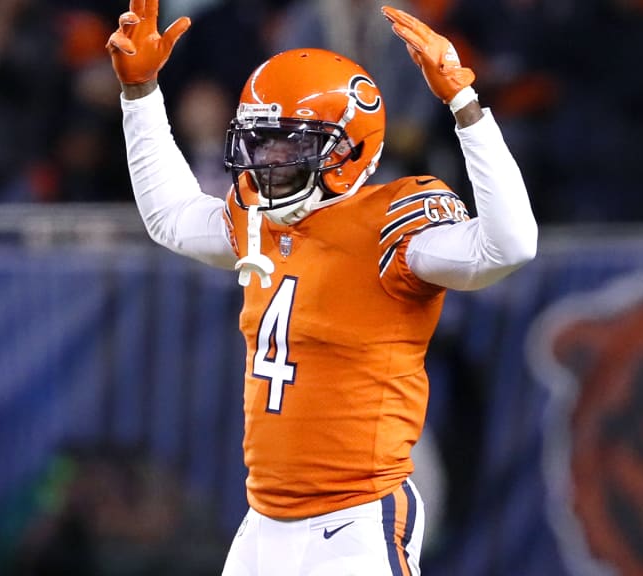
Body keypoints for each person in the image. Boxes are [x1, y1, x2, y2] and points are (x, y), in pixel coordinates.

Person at [105, 1, 537, 574]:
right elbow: (171, 218)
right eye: (261, 142)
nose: (267, 162)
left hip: (354, 520)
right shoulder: (256, 219)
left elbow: (509, 247)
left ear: (348, 148)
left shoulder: (393, 226)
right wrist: (141, 95)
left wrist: (467, 110)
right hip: (263, 518)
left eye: (290, 145)